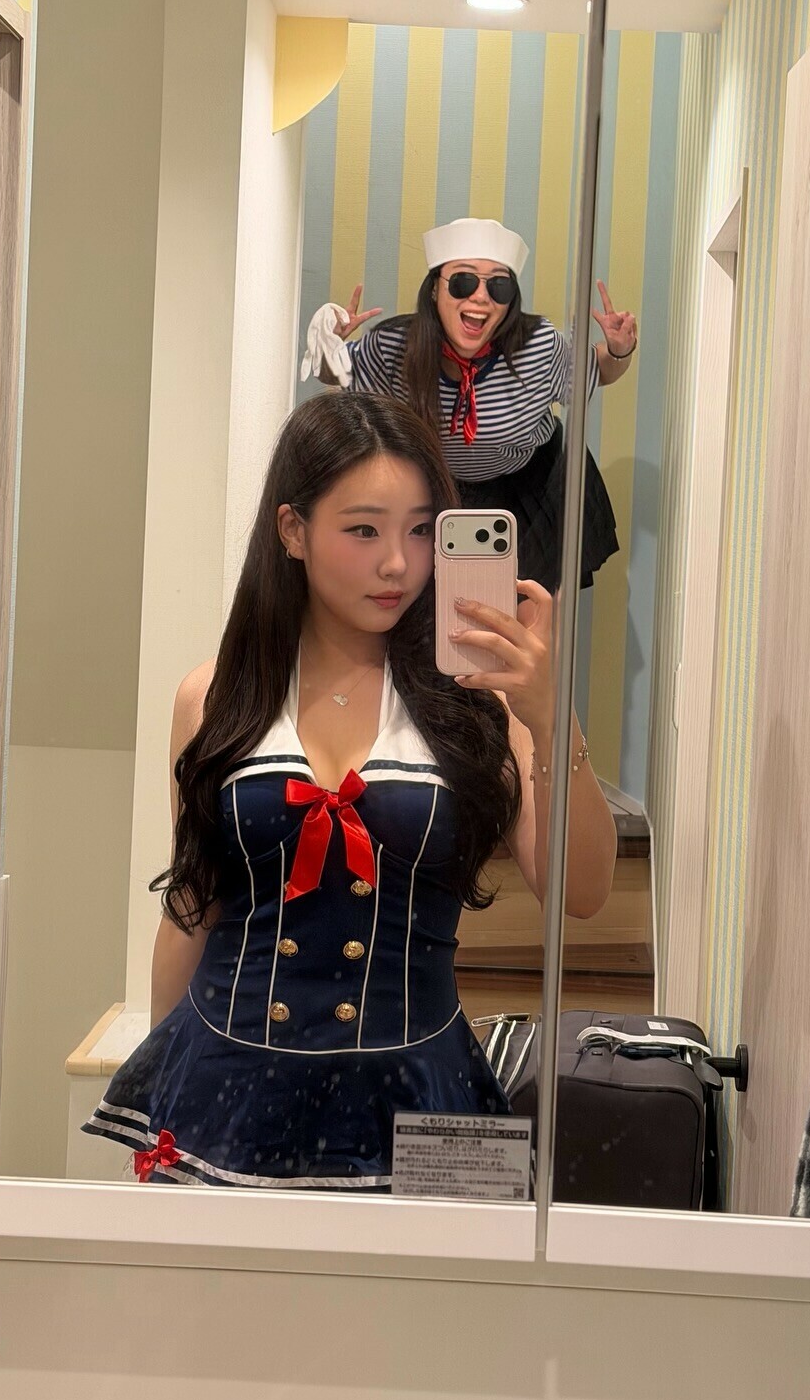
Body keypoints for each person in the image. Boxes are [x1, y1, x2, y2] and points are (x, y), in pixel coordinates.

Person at [84, 391, 618, 1189]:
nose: (398, 563)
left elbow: (581, 891)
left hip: (416, 1096)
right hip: (222, 1090)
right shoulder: (214, 696)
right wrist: (158, 1094)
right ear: (293, 530)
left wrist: (552, 718)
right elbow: (194, 906)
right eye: (364, 530)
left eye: (420, 530)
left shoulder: (483, 702)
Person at [300, 216, 637, 591]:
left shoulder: (537, 344)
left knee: (525, 606)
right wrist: (328, 343)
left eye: (499, 286)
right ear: (435, 289)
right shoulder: (394, 346)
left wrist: (619, 351)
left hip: (530, 488)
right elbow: (339, 372)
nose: (480, 297)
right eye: (463, 282)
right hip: (432, 488)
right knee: (431, 603)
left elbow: (595, 372)